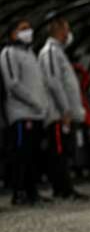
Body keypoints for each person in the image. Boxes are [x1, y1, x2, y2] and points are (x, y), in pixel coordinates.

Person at [38, 14, 89, 200]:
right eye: (66, 29)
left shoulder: (58, 52)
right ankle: (62, 189)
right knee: (58, 152)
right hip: (58, 113)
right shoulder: (50, 51)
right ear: (58, 30)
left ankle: (65, 187)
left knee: (65, 151)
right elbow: (53, 82)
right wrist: (65, 110)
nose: (69, 33)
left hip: (64, 113)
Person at [1, 19, 51, 205]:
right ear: (13, 33)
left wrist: (42, 105)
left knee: (33, 154)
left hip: (36, 112)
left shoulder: (30, 53)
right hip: (21, 113)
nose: (28, 31)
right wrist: (34, 101)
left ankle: (32, 191)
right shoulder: (8, 53)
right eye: (23, 29)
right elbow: (12, 83)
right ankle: (19, 191)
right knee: (21, 154)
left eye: (29, 28)